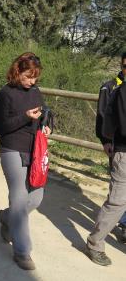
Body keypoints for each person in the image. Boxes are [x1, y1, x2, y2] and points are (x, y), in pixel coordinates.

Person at [0, 52, 51, 271]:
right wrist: (26, 117)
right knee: (18, 199)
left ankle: (7, 217)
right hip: (12, 150)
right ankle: (22, 251)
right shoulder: (5, 94)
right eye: (28, 76)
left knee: (36, 198)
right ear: (17, 72)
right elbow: (0, 127)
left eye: (35, 76)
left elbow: (43, 114)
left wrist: (45, 125)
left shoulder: (36, 92)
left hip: (34, 151)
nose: (32, 81)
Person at [86, 57, 126, 266]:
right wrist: (104, 140)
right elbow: (107, 119)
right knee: (117, 202)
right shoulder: (116, 90)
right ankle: (95, 243)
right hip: (122, 152)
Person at [95, 52, 126, 244]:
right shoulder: (111, 87)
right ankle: (119, 223)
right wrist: (104, 140)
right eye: (124, 65)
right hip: (117, 145)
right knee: (118, 193)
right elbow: (102, 117)